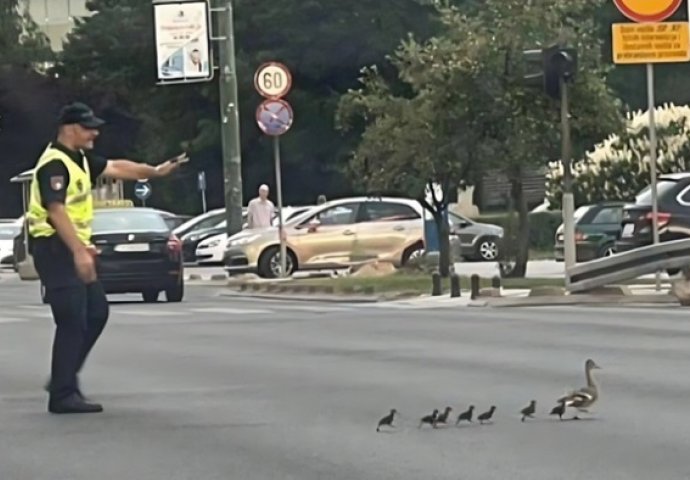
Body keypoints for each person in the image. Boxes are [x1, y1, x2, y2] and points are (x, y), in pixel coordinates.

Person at [27, 101, 186, 414]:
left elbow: (118, 168)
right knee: (72, 318)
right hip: (55, 248)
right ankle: (62, 394)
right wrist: (78, 252)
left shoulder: (80, 160)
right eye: (88, 128)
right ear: (70, 128)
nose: (94, 133)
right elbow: (55, 210)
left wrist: (154, 172)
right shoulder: (54, 164)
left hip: (73, 248)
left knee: (96, 311)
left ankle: (64, 376)